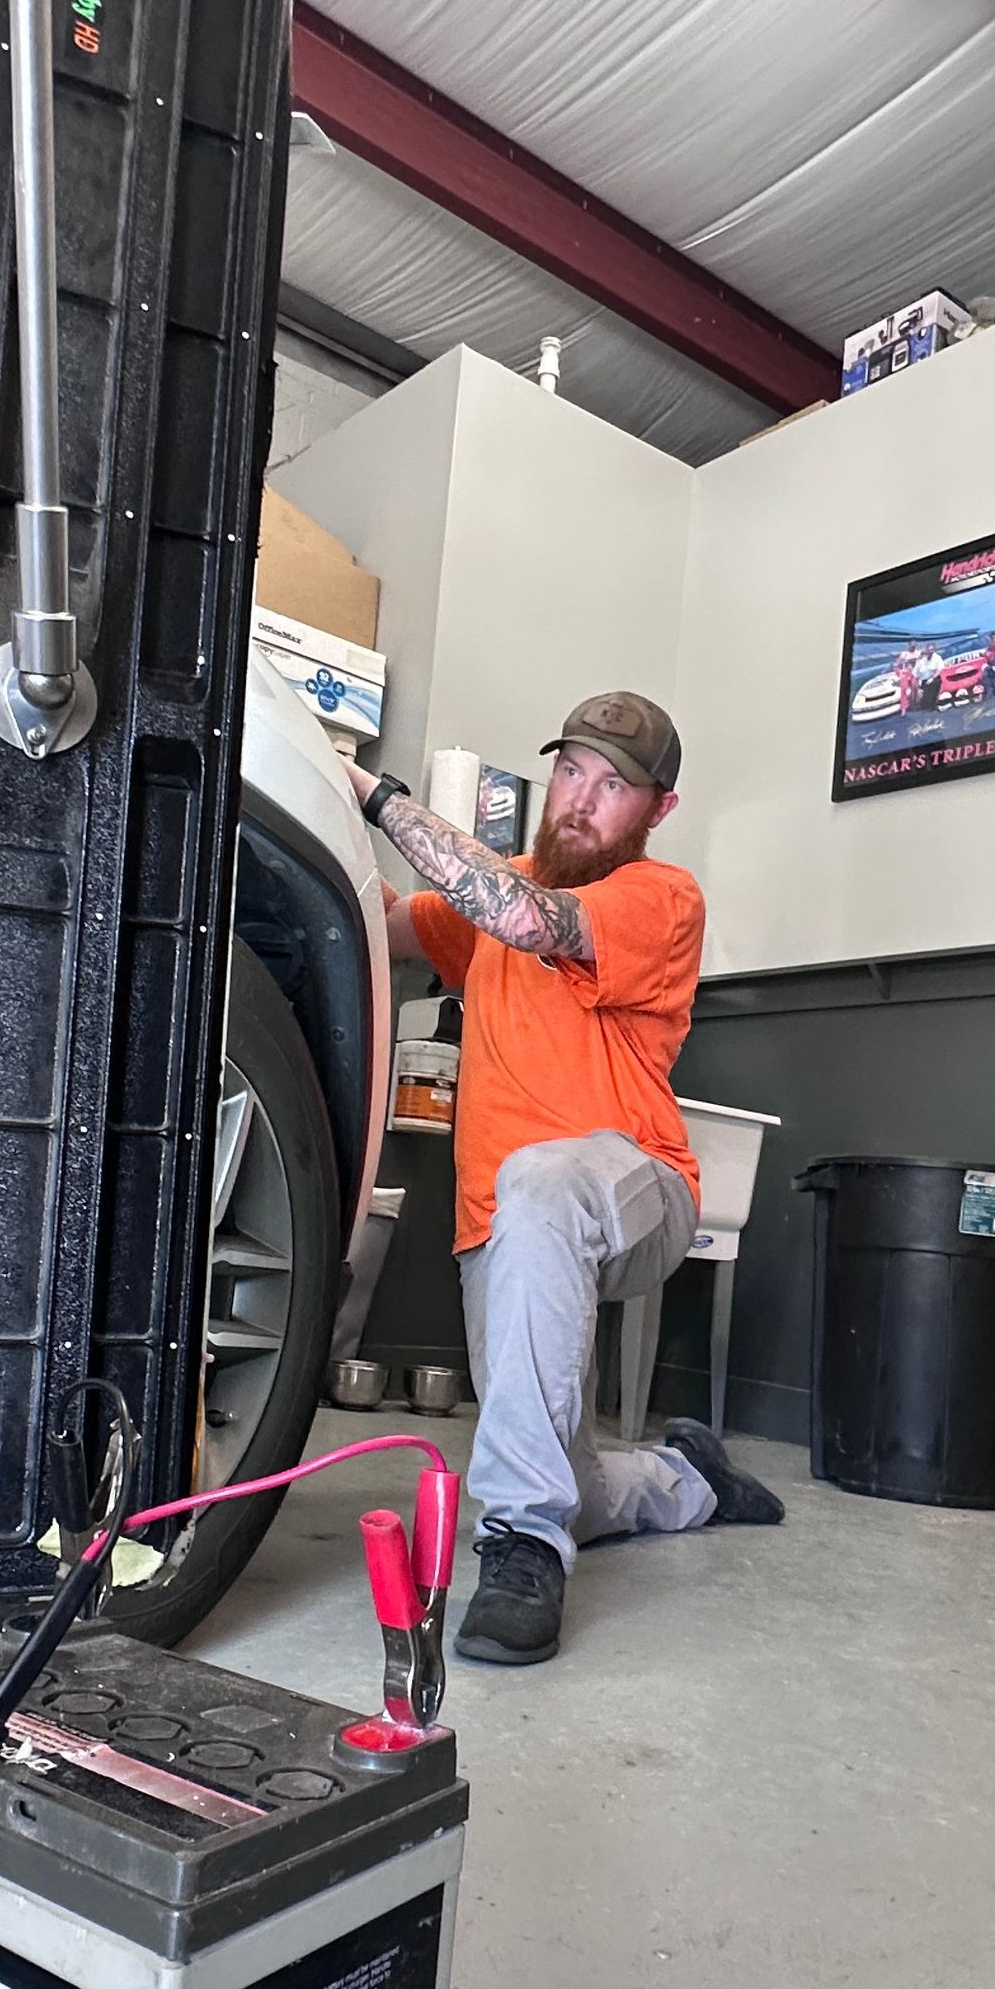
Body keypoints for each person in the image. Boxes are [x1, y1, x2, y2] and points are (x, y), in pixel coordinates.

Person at [347, 691, 783, 1669]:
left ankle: (523, 1549)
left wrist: (376, 797)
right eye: (572, 770)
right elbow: (390, 923)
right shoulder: (496, 892)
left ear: (659, 808)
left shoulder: (658, 897)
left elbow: (520, 916)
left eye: (613, 785)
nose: (581, 799)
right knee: (558, 1474)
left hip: (639, 1188)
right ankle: (688, 1479)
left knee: (540, 1180)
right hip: (497, 1225)